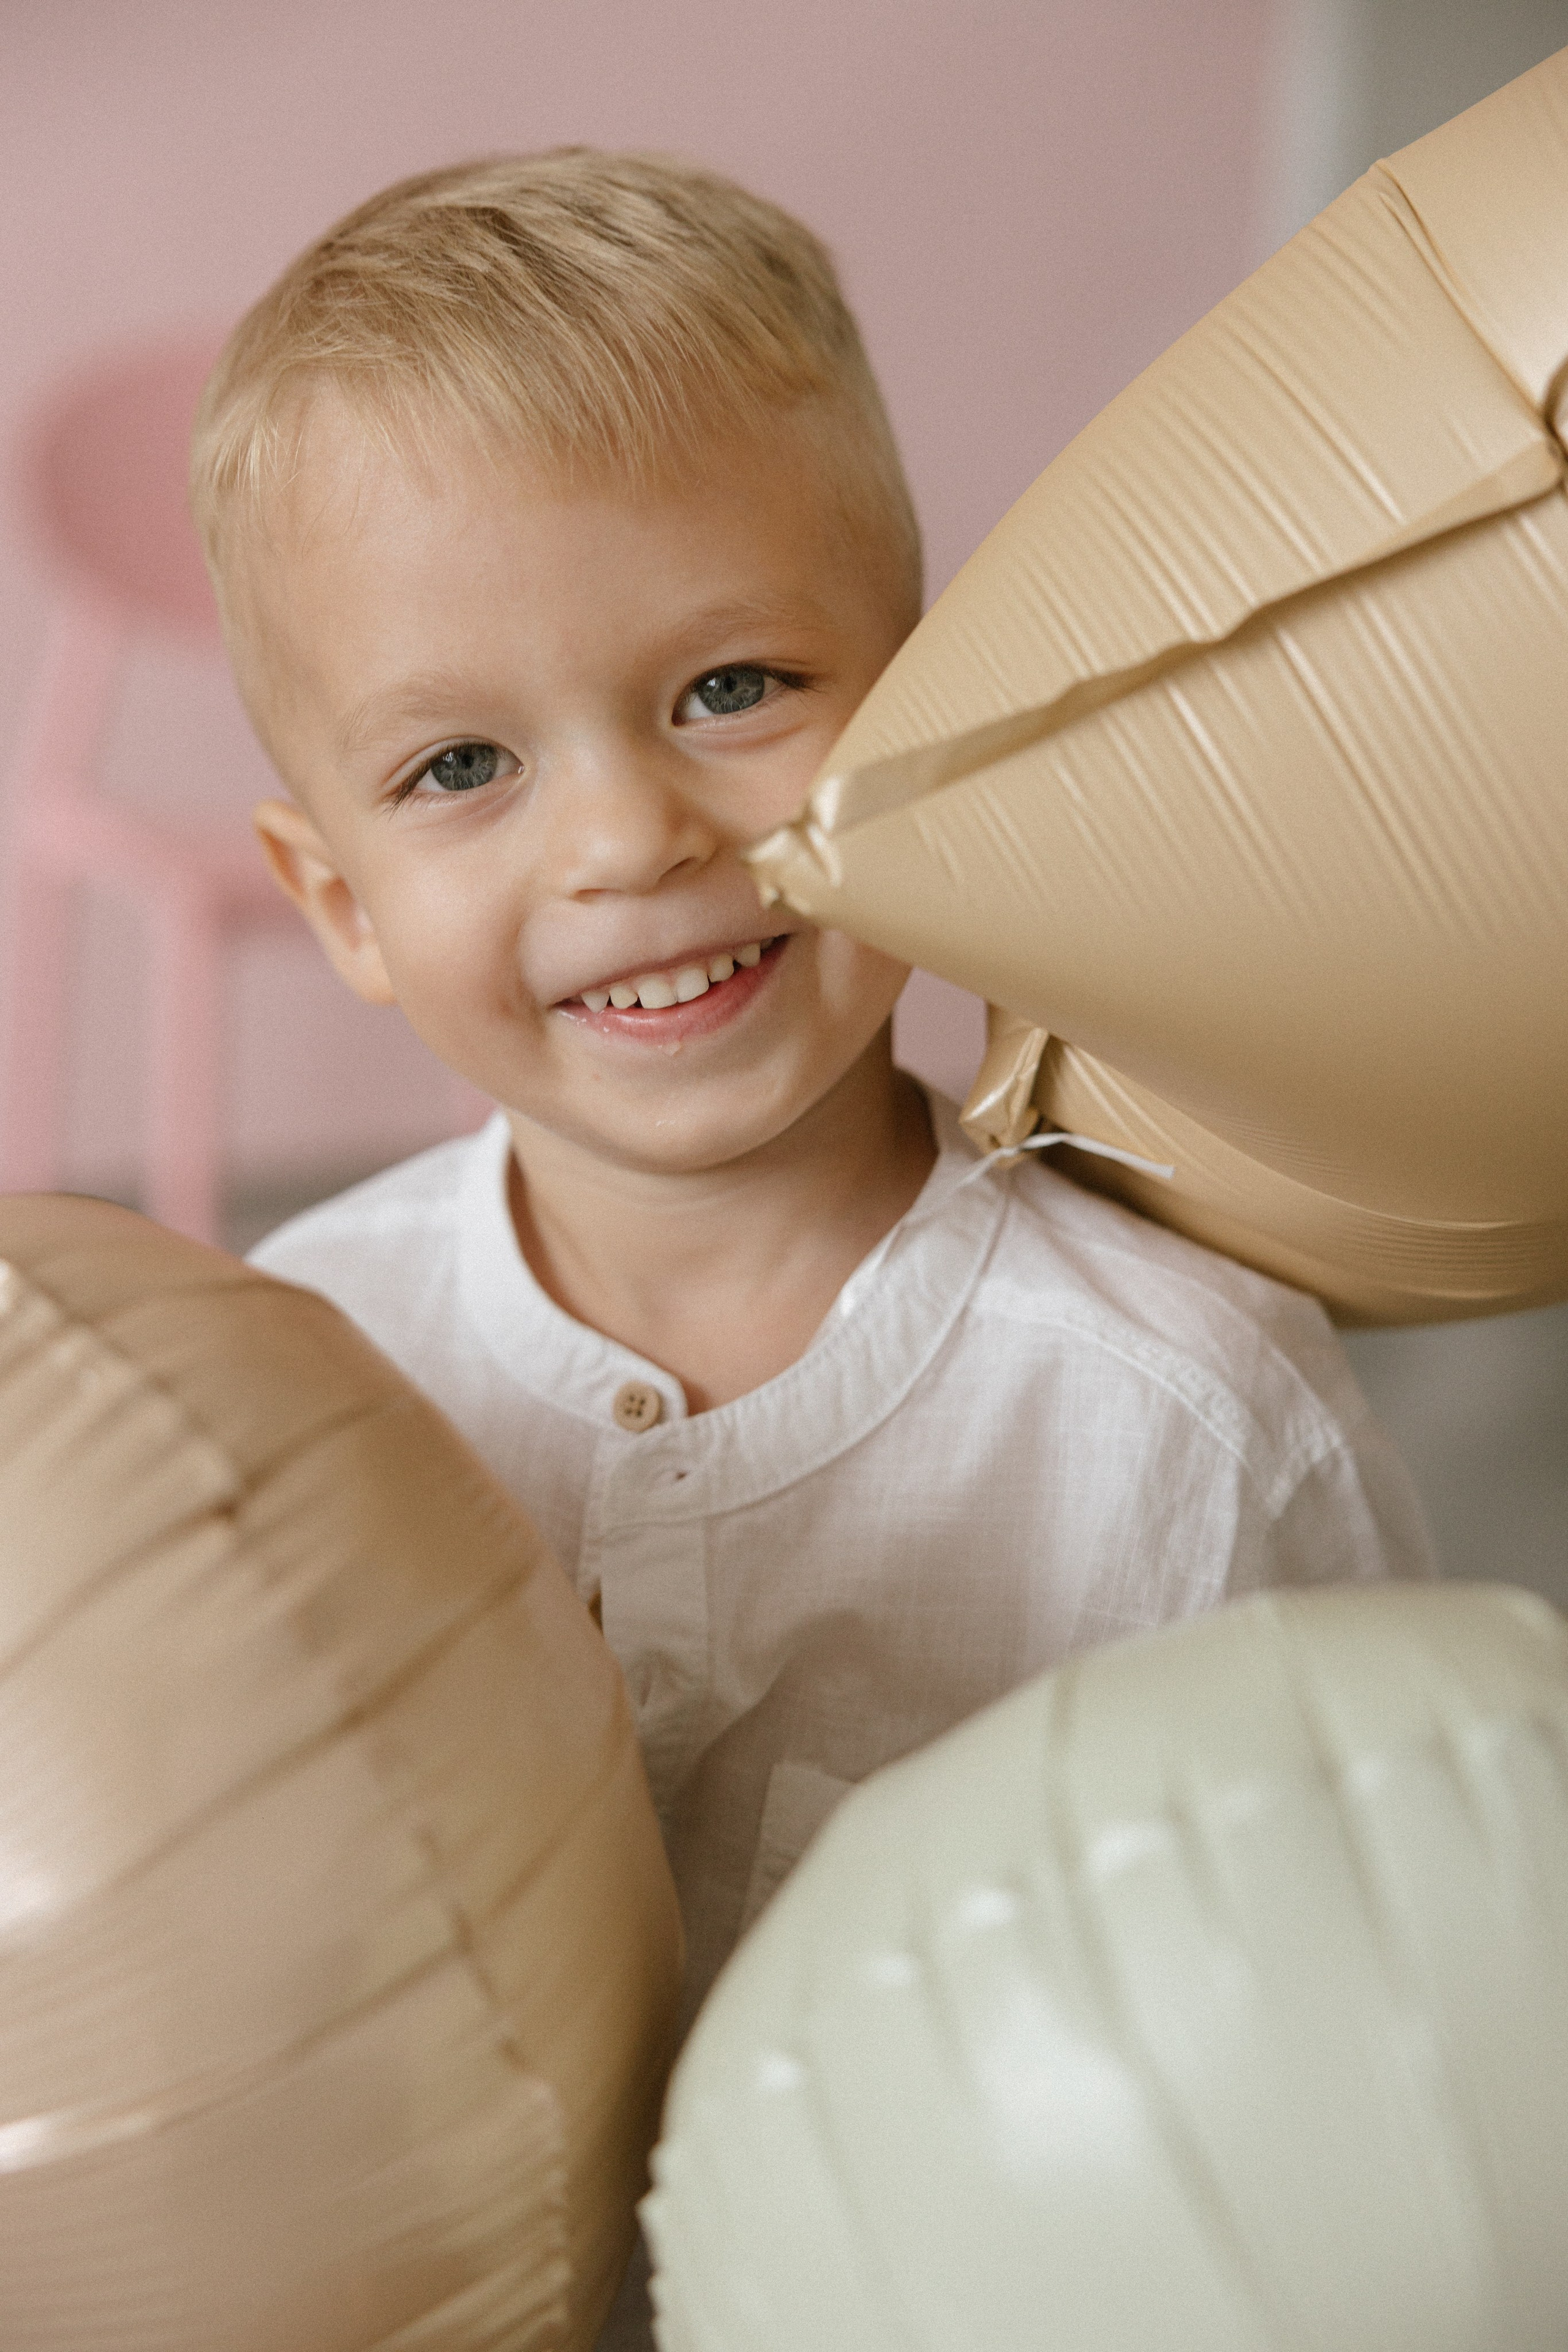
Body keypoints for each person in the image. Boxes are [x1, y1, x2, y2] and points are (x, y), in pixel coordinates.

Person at [194, 137, 1431, 2144]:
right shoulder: (290, 1381)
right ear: (336, 901)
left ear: (927, 714)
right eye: (462, 766)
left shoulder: (1187, 1418)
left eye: (733, 685)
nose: (624, 841)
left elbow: (1394, 1990)